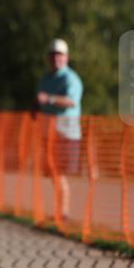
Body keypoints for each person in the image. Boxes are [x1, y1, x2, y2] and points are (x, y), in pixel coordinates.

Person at [35, 38, 83, 220]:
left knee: (59, 171)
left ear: (66, 57)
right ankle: (60, 210)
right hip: (48, 132)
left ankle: (63, 212)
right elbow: (41, 101)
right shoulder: (46, 79)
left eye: (60, 54)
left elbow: (71, 101)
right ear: (48, 57)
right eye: (53, 54)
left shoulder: (71, 79)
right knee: (52, 172)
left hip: (66, 133)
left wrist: (50, 99)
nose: (56, 58)